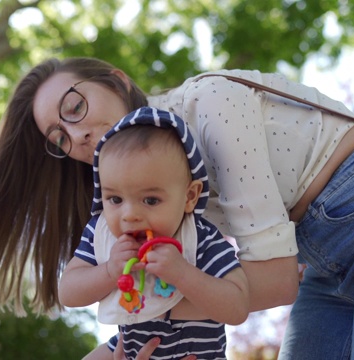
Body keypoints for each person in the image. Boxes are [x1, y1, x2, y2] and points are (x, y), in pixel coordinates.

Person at [0, 56, 354, 359]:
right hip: (327, 269)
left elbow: (271, 281)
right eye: (59, 137)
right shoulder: (147, 196)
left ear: (112, 77)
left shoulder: (210, 105)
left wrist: (161, 325)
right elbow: (181, 289)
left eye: (74, 106)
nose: (77, 133)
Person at [59, 107, 249, 359]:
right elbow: (68, 292)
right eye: (115, 198)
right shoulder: (101, 234)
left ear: (189, 197)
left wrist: (183, 273)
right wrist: (109, 270)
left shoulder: (200, 238)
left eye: (150, 200)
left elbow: (237, 307)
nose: (129, 215)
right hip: (128, 350)